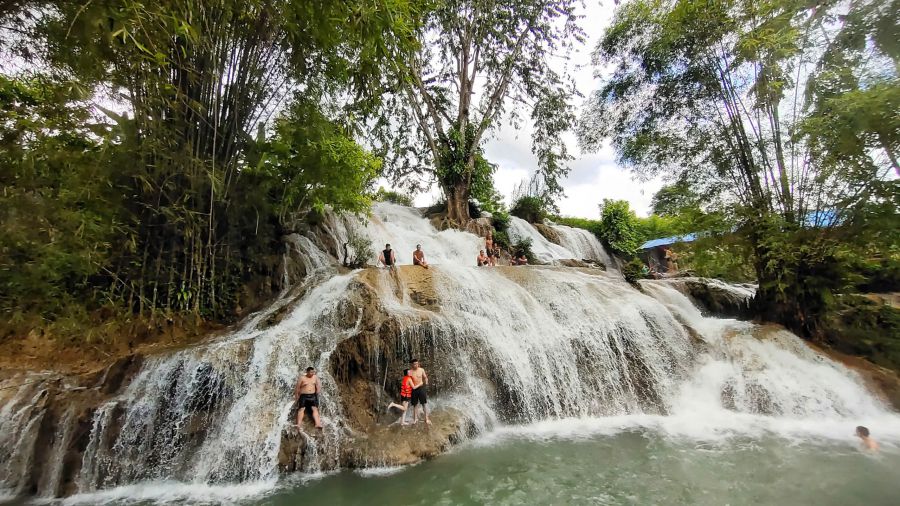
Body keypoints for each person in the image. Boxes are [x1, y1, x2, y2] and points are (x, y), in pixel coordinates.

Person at [408, 358, 431, 424]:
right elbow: (408, 381)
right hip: (413, 389)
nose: (416, 365)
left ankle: (426, 418)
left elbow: (425, 377)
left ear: (418, 364)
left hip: (421, 388)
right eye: (414, 364)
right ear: (412, 365)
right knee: (415, 405)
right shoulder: (409, 372)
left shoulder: (421, 370)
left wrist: (426, 381)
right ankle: (415, 419)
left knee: (424, 404)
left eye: (417, 364)